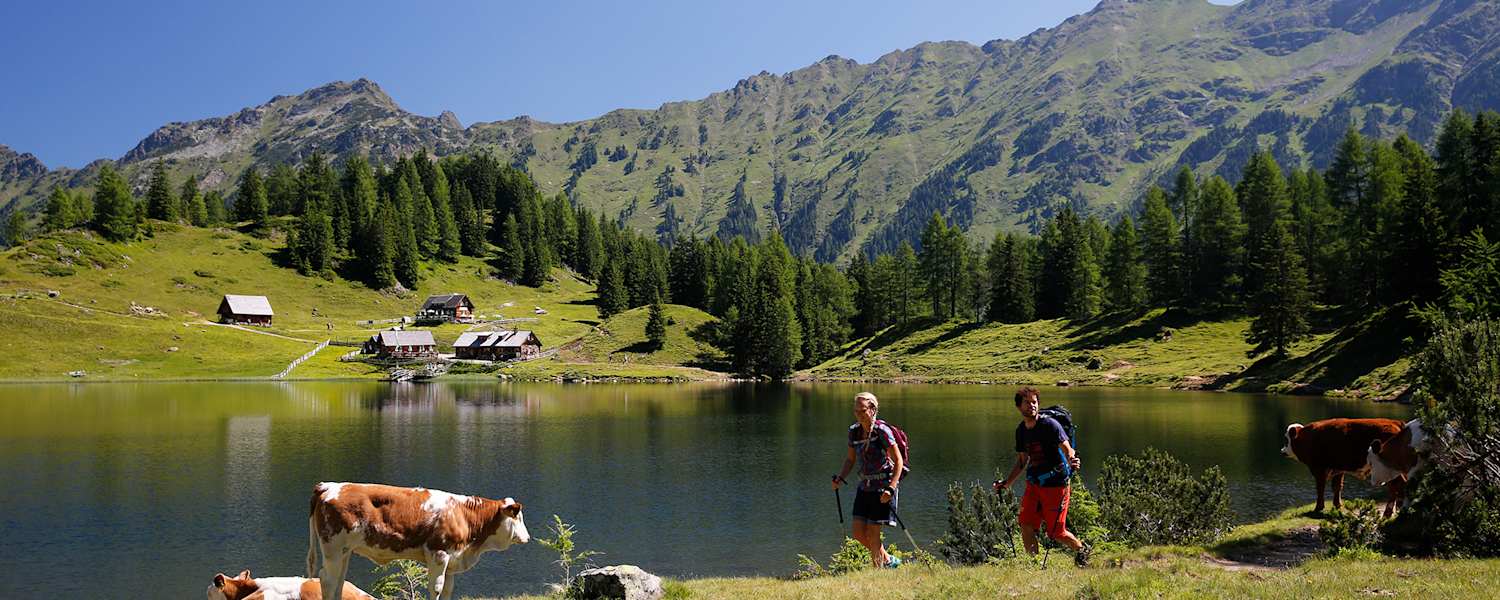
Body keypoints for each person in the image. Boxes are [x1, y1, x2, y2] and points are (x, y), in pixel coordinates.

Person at [994, 386, 1091, 567]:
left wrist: (1072, 459)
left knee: (1056, 532)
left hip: (1056, 484)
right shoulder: (1021, 431)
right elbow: (1022, 461)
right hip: (1034, 484)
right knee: (1026, 524)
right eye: (1027, 402)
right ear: (1018, 407)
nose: (1032, 406)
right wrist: (1006, 484)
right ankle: (1035, 566)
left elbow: (1066, 446)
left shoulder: (1050, 425)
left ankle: (1082, 552)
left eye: (1034, 402)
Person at [832, 391, 904, 568]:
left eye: (862, 410)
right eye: (855, 411)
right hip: (864, 486)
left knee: (873, 533)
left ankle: (877, 572)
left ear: (872, 409)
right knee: (858, 534)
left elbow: (898, 461)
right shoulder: (854, 432)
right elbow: (850, 459)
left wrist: (891, 488)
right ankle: (889, 561)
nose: (858, 414)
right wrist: (840, 477)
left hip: (882, 487)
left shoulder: (882, 431)